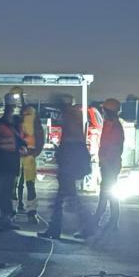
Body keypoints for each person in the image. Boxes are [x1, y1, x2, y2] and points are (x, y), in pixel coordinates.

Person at [40, 99, 94, 240]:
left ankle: (84, 227)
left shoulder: (70, 121)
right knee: (68, 200)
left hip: (67, 169)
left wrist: (62, 161)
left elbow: (69, 147)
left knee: (68, 200)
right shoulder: (74, 119)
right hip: (70, 168)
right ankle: (57, 228)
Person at [0, 102, 25, 230]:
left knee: (7, 193)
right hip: (0, 164)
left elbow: (20, 143)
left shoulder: (15, 127)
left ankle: (6, 219)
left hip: (10, 165)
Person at [94, 98, 124, 231]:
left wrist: (106, 163)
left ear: (109, 111)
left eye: (104, 110)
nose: (102, 112)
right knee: (108, 193)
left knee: (107, 193)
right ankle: (111, 221)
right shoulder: (109, 124)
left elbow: (114, 148)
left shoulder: (115, 127)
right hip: (108, 164)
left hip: (110, 165)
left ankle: (97, 219)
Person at [15, 103, 41, 223]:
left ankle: (14, 209)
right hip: (29, 155)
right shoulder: (36, 122)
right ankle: (31, 212)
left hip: (21, 155)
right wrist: (35, 152)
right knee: (29, 185)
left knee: (16, 184)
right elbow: (41, 138)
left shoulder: (19, 120)